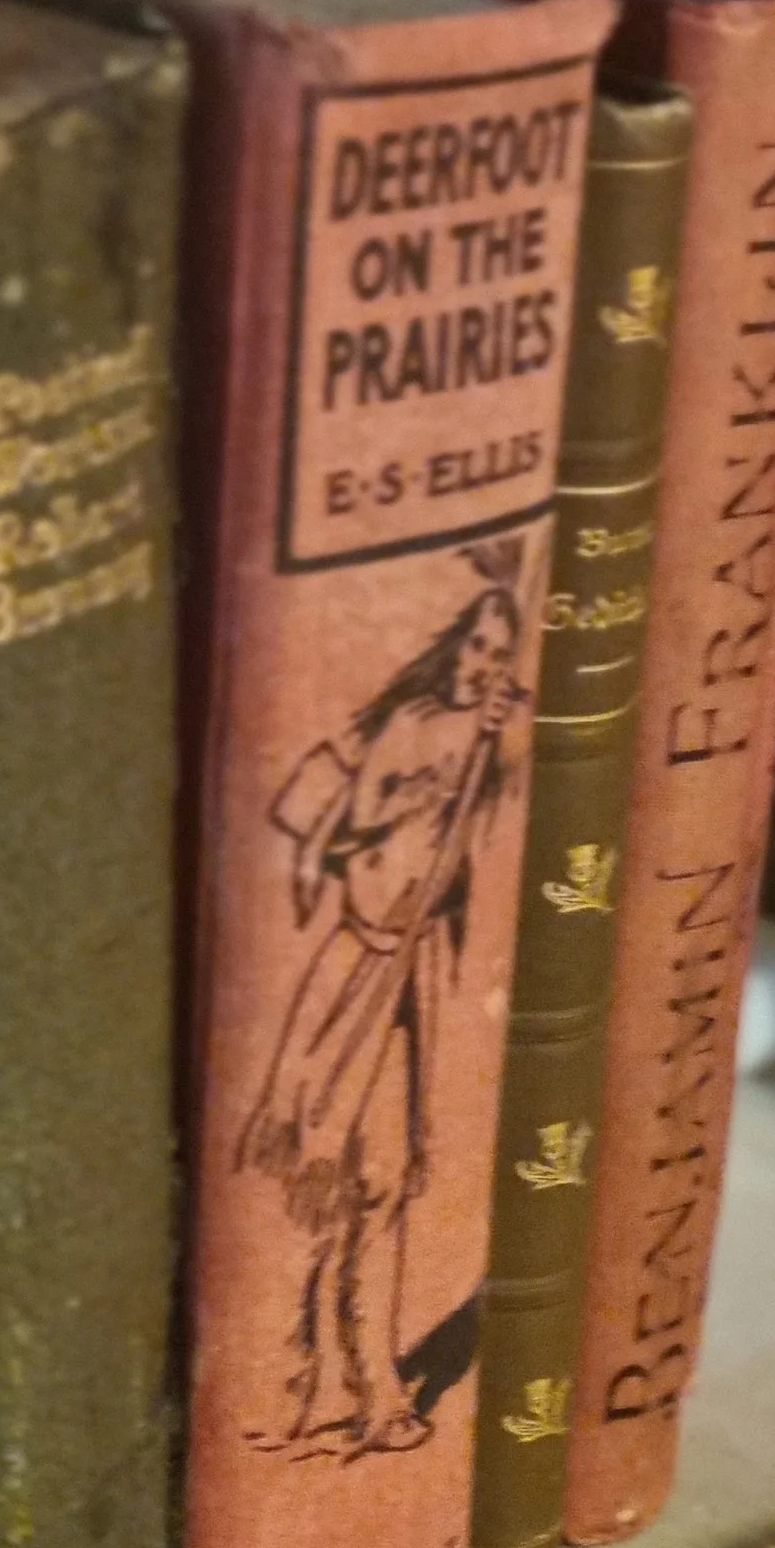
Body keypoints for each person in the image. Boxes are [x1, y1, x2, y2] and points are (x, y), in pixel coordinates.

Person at [239, 581, 524, 1456]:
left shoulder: (492, 742)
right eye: (477, 648)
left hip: (415, 979)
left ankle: (370, 1391)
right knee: (322, 1184)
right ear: (451, 650)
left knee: (388, 1183)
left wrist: (504, 737)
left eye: (501, 655)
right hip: (356, 973)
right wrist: (417, 797)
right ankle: (296, 1384)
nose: (485, 666)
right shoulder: (413, 729)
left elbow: (506, 813)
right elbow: (358, 838)